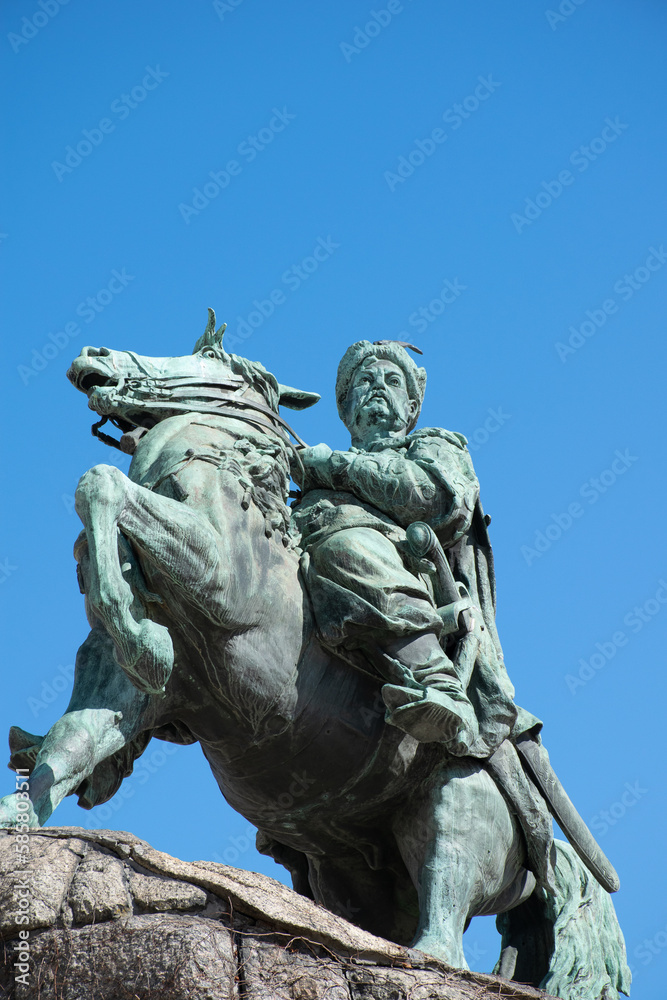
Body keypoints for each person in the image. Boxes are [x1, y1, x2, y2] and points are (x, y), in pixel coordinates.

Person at [293, 339, 540, 757]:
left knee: (348, 547)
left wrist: (330, 466)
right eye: (365, 381)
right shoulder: (309, 480)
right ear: (347, 407)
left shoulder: (432, 446)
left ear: (410, 408)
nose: (378, 388)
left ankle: (436, 680)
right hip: (323, 588)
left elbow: (431, 496)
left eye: (392, 381)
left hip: (406, 574)